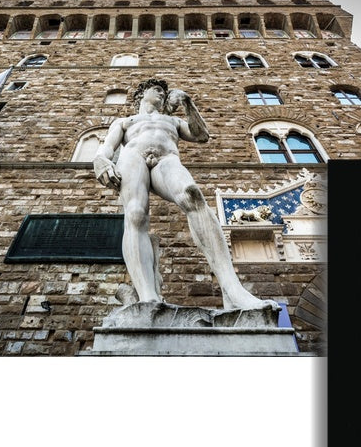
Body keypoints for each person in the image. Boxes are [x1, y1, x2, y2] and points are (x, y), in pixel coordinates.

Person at [93, 78, 276, 312]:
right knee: (136, 214)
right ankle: (147, 296)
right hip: (132, 157)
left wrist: (188, 103)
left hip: (167, 158)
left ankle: (233, 290)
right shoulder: (125, 121)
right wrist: (100, 159)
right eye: (157, 90)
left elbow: (201, 135)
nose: (162, 94)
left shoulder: (173, 120)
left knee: (193, 197)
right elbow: (108, 146)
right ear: (142, 94)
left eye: (164, 92)